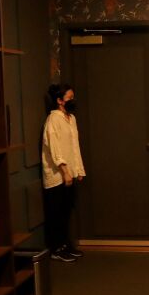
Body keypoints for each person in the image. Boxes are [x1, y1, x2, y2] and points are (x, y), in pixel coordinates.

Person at [41, 83, 86, 263]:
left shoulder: (71, 118)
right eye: (69, 98)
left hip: (70, 174)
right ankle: (56, 248)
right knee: (56, 213)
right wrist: (65, 171)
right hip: (57, 175)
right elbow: (55, 148)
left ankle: (66, 244)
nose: (72, 101)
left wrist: (78, 170)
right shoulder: (53, 120)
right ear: (59, 101)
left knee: (66, 211)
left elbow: (75, 147)